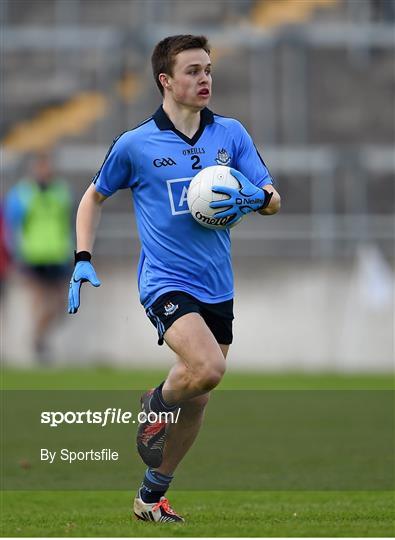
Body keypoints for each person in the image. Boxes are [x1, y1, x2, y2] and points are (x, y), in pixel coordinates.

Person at [68, 34, 281, 523]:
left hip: (217, 284)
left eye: (208, 69)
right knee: (207, 369)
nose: (204, 78)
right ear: (166, 80)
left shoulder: (231, 135)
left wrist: (257, 200)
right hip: (165, 280)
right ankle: (154, 403)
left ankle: (150, 497)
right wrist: (82, 255)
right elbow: (93, 196)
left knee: (200, 394)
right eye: (192, 70)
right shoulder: (136, 144)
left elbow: (273, 197)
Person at [5, 152, 72, 363]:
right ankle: (38, 345)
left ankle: (38, 336)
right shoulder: (22, 194)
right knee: (38, 301)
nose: (44, 171)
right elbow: (11, 227)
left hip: (58, 254)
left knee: (62, 304)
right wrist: (15, 253)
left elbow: (69, 222)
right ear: (34, 168)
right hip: (33, 256)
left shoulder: (61, 192)